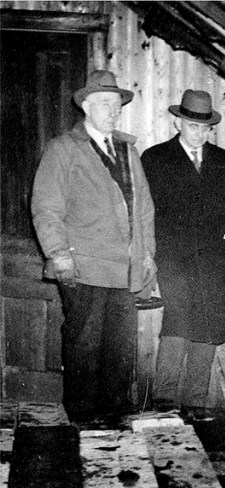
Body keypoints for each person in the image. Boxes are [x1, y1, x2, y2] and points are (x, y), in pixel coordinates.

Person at [31, 69, 156, 423]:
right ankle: (83, 423)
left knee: (120, 350)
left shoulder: (128, 152)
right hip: (83, 266)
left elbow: (145, 208)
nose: (112, 112)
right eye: (104, 104)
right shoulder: (63, 149)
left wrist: (147, 254)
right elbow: (46, 208)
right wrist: (59, 255)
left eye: (116, 105)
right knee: (84, 346)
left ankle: (115, 422)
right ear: (86, 106)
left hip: (124, 270)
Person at [140, 89, 225, 416]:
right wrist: (150, 264)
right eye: (192, 126)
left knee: (209, 329)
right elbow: (146, 216)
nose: (199, 133)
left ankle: (195, 406)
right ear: (179, 122)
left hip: (215, 262)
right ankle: (163, 406)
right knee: (177, 326)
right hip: (173, 262)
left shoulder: (222, 160)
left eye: (205, 128)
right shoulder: (155, 158)